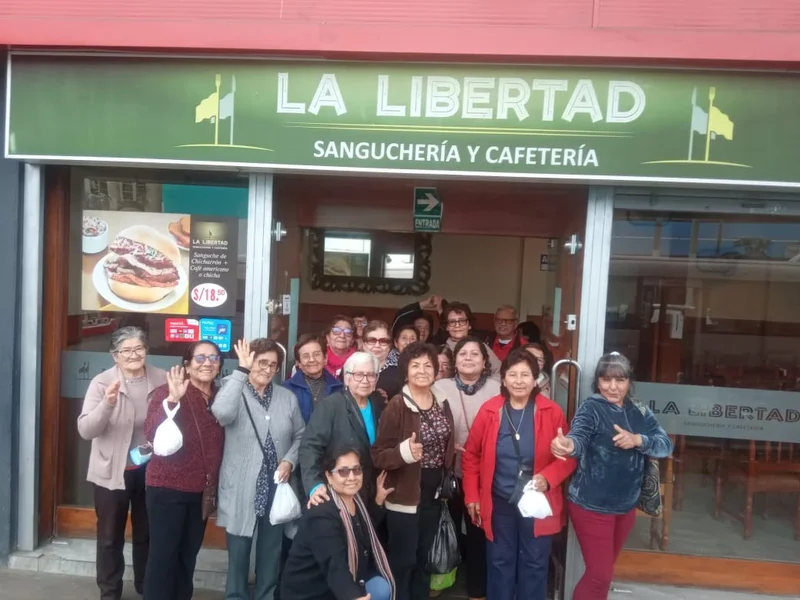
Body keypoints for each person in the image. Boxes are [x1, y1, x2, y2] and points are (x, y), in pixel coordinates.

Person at [551, 352, 673, 600]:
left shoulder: (639, 409)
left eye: (620, 380)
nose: (613, 387)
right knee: (600, 576)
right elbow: (579, 437)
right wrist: (568, 445)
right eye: (606, 380)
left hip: (625, 507)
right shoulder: (592, 408)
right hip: (591, 506)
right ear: (597, 382)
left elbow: (665, 445)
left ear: (629, 381)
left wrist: (638, 440)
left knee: (602, 577)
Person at [462, 348, 576, 600]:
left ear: (535, 380)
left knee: (534, 563)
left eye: (525, 375)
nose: (519, 381)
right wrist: (472, 496)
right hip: (499, 501)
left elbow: (568, 457)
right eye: (512, 375)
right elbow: (471, 455)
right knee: (499, 562)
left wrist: (547, 478)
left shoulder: (551, 411)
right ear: (503, 379)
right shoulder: (490, 410)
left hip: (537, 502)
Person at [212, 338, 306, 600]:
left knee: (270, 553)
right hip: (241, 487)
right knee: (238, 554)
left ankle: (266, 595)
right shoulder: (233, 388)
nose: (267, 369)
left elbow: (301, 435)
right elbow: (221, 413)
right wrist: (241, 372)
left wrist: (289, 460)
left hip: (276, 486)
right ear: (250, 362)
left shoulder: (286, 397)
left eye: (273, 365)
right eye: (262, 362)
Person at [77, 327, 167, 600]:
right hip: (111, 471)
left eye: (138, 348)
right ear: (114, 355)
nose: (133, 355)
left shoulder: (162, 379)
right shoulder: (102, 383)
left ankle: (145, 586)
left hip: (150, 471)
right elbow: (86, 430)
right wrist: (107, 404)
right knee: (109, 537)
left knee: (147, 534)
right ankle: (109, 591)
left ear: (146, 350)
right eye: (125, 350)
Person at [372, 342, 456, 600]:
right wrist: (404, 453)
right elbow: (378, 455)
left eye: (428, 365)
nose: (422, 370)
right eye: (415, 365)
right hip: (404, 494)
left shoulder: (441, 401)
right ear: (405, 372)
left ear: (436, 370)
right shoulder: (397, 405)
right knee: (403, 560)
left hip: (434, 494)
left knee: (423, 559)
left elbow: (445, 438)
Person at [143, 341, 225, 600]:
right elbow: (151, 432)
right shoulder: (169, 390)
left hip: (201, 492)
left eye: (213, 358)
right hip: (168, 488)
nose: (207, 363)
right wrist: (172, 400)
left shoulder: (221, 397)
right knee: (163, 558)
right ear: (187, 365)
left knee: (187, 557)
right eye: (200, 358)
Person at [431, 336, 500, 600]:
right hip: (447, 471)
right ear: (455, 361)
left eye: (474, 354)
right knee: (444, 527)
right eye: (462, 354)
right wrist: (447, 445)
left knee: (478, 531)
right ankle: (441, 578)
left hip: (487, 473)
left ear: (484, 362)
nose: (468, 358)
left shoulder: (498, 388)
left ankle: (477, 590)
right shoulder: (440, 387)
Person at [281, 446, 396, 600]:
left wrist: (378, 502)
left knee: (381, 587)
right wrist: (352, 596)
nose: (352, 477)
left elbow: (362, 530)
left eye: (356, 470)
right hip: (311, 593)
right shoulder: (321, 513)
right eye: (343, 471)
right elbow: (334, 563)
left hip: (339, 585)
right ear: (328, 476)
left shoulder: (355, 500)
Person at [300, 352, 385, 506]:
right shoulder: (331, 406)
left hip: (372, 489)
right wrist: (314, 485)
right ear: (347, 378)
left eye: (371, 375)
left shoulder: (378, 403)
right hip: (341, 487)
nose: (365, 380)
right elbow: (310, 446)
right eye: (358, 374)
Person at [285, 334, 344, 424]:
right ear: (298, 363)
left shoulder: (338, 388)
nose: (312, 360)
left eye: (316, 354)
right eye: (305, 356)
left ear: (325, 358)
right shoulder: (287, 389)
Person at [441, 302, 501, 375]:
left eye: (462, 321)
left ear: (469, 325)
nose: (457, 325)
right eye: (452, 322)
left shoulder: (482, 347)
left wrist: (486, 382)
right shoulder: (440, 350)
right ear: (447, 327)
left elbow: (500, 372)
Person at [377, 323, 419, 401]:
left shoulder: (422, 364)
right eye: (404, 338)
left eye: (412, 339)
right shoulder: (387, 364)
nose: (408, 342)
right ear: (396, 343)